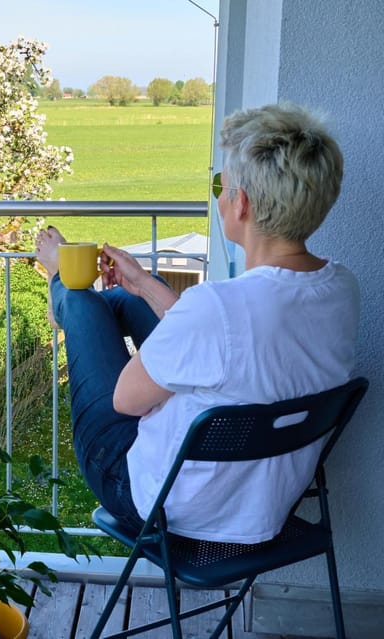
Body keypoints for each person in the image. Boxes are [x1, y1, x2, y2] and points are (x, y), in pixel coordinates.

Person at [35, 102, 359, 543]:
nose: (220, 194)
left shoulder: (217, 307)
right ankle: (102, 305)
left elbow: (126, 402)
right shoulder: (341, 287)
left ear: (240, 203)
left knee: (81, 301)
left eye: (220, 185)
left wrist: (62, 274)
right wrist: (144, 285)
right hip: (261, 505)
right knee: (130, 301)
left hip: (167, 505)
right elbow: (230, 339)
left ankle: (63, 293)